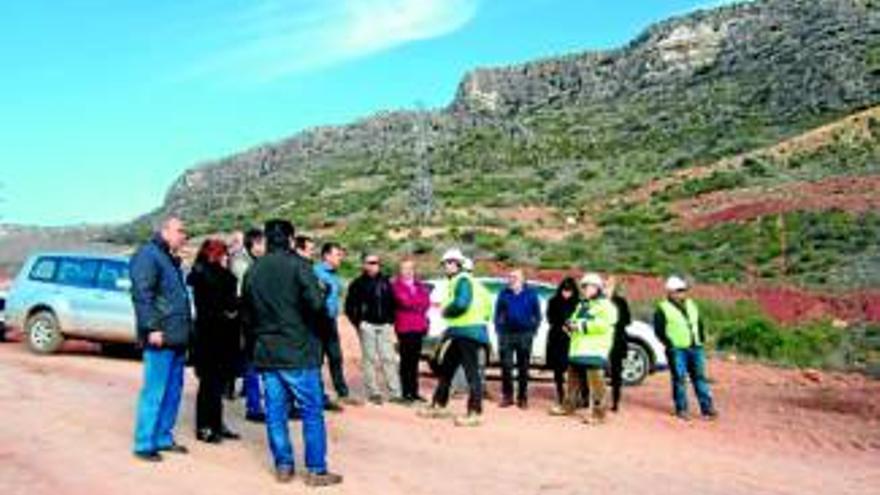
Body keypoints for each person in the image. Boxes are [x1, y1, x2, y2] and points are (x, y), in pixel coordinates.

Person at [241, 219, 342, 486]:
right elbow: (316, 306)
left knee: (275, 412)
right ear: (289, 239)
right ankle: (316, 469)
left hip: (267, 352)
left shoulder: (253, 271)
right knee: (311, 410)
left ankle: (284, 465)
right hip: (298, 350)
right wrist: (324, 294)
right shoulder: (300, 266)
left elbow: (247, 315)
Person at [130, 216, 192, 462]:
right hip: (161, 335)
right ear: (165, 231)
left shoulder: (168, 258)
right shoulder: (148, 255)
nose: (184, 235)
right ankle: (144, 443)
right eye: (180, 230)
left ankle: (163, 437)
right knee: (155, 390)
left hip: (176, 335)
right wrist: (151, 327)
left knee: (173, 391)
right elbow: (142, 294)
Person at [418, 248, 493, 427]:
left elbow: (461, 304)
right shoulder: (479, 286)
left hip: (466, 333)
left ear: (457, 264)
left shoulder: (462, 280)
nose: (446, 267)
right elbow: (488, 311)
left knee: (471, 373)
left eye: (448, 263)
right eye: (445, 264)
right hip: (464, 332)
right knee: (447, 370)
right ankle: (439, 404)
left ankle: (474, 412)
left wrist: (446, 311)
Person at [187, 239, 241, 443]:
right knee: (211, 384)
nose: (228, 257)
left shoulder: (203, 273)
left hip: (209, 335)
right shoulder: (214, 276)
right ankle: (206, 427)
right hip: (215, 335)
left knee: (213, 384)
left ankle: (213, 424)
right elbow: (226, 304)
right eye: (225, 254)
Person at [654, 276, 719, 421]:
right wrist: (669, 344)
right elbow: (659, 330)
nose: (682, 293)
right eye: (679, 290)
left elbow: (698, 323)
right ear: (670, 292)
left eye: (683, 290)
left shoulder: (691, 304)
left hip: (695, 347)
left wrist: (701, 339)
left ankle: (707, 409)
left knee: (699, 378)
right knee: (679, 379)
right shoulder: (662, 308)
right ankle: (682, 409)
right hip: (677, 350)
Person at [345, 253, 403, 405]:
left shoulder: (387, 282)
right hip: (367, 325)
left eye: (376, 262)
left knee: (389, 358)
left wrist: (391, 320)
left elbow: (394, 302)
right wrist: (359, 323)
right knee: (369, 359)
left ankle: (395, 393)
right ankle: (374, 393)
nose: (373, 265)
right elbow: (349, 306)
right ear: (364, 264)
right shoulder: (357, 284)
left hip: (385, 325)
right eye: (370, 262)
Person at [564, 273, 618, 424]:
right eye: (584, 286)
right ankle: (568, 406)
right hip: (577, 349)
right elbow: (574, 320)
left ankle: (599, 414)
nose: (585, 289)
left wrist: (578, 326)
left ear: (597, 288)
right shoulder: (582, 305)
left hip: (595, 350)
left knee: (597, 385)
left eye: (588, 286)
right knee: (572, 380)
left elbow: (602, 325)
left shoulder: (606, 306)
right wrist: (569, 325)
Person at [230, 228, 269, 422]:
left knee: (250, 361)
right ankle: (254, 406)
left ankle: (248, 393)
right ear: (252, 244)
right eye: (261, 244)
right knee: (252, 361)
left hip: (253, 319)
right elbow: (242, 294)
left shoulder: (256, 262)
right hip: (247, 320)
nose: (264, 247)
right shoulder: (241, 264)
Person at [314, 242, 358, 408]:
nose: (340, 257)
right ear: (326, 256)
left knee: (336, 356)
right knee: (317, 358)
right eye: (337, 254)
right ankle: (318, 394)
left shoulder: (335, 275)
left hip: (331, 320)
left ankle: (342, 392)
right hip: (318, 320)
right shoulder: (316, 272)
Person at [494, 269, 541, 409]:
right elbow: (497, 313)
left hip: (525, 335)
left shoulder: (531, 294)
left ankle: (522, 398)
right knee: (506, 367)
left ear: (522, 279)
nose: (511, 279)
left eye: (515, 277)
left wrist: (533, 330)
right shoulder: (503, 293)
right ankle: (507, 396)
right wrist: (499, 329)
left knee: (523, 368)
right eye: (510, 277)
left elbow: (537, 315)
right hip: (506, 335)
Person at [391, 259, 431, 403]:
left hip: (419, 327)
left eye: (410, 268)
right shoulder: (396, 286)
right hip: (404, 327)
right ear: (400, 271)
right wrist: (416, 302)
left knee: (415, 361)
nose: (407, 271)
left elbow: (426, 303)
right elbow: (404, 302)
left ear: (414, 270)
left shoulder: (420, 285)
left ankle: (414, 392)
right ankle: (405, 391)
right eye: (404, 268)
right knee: (406, 360)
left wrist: (415, 302)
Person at [546, 277, 581, 413]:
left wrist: (570, 326)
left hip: (573, 339)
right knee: (558, 370)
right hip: (557, 337)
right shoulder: (553, 301)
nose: (566, 293)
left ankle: (575, 397)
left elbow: (579, 319)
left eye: (569, 291)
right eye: (564, 290)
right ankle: (561, 394)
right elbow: (550, 318)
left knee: (574, 370)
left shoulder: (578, 303)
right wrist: (562, 324)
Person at [606, 276, 632, 413]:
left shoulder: (621, 302)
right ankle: (591, 400)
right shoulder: (598, 301)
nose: (608, 287)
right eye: (606, 284)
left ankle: (615, 401)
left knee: (616, 373)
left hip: (617, 340)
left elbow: (627, 320)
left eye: (610, 285)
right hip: (600, 341)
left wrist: (613, 322)